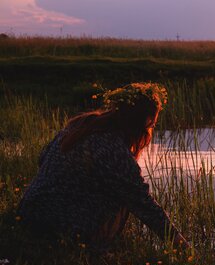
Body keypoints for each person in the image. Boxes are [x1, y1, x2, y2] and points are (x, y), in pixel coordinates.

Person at [17, 82, 187, 248]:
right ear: (144, 122)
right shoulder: (115, 150)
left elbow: (42, 158)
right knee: (125, 194)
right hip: (62, 229)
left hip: (28, 214)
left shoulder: (79, 126)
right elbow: (142, 202)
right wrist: (180, 243)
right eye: (152, 124)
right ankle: (98, 245)